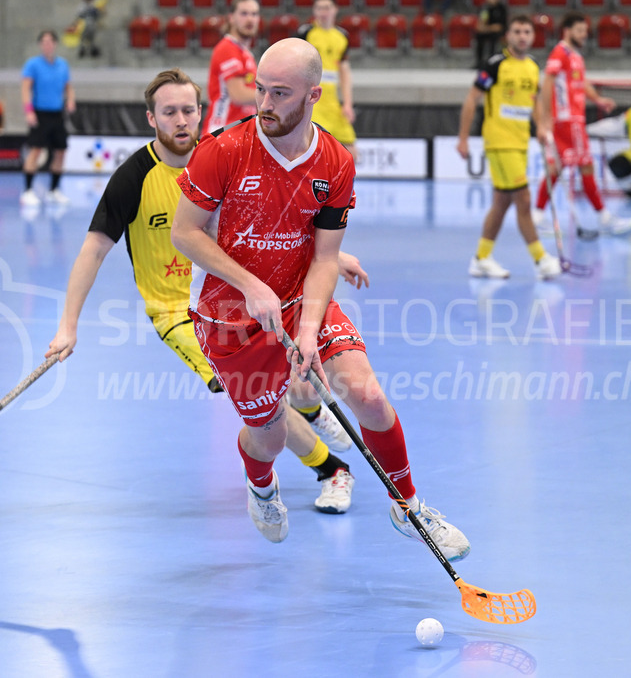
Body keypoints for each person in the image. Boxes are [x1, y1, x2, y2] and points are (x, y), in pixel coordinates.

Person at [171, 38, 471, 558]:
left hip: (297, 295)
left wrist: (308, 330)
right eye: (261, 90)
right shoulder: (222, 150)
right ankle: (262, 488)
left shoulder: (334, 162)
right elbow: (185, 233)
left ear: (314, 95)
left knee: (368, 395)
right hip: (228, 318)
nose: (264, 104)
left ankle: (408, 504)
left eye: (280, 93)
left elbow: (325, 257)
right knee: (265, 436)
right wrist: (250, 283)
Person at [46, 68, 361, 513]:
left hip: (245, 291)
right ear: (151, 118)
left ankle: (310, 411)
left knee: (293, 373)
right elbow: (92, 251)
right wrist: (67, 326)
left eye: (188, 110)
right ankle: (331, 469)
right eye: (168, 112)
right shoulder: (132, 178)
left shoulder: (222, 155)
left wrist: (333, 256)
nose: (181, 120)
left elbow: (278, 219)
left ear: (201, 112)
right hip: (179, 312)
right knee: (257, 393)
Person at [458, 16, 561, 281]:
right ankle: (541, 259)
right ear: (508, 36)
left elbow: (534, 101)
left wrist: (540, 126)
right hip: (499, 141)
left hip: (520, 143)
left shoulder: (532, 66)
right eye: (517, 31)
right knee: (524, 200)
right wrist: (463, 138)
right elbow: (472, 100)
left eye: (527, 31)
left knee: (502, 203)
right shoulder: (495, 65)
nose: (522, 36)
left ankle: (481, 258)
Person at [531, 12, 631, 239]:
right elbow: (547, 83)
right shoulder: (560, 53)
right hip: (568, 121)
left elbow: (580, 83)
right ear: (567, 31)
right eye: (579, 31)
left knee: (555, 169)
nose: (584, 35)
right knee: (585, 166)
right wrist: (546, 117)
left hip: (573, 119)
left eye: (585, 31)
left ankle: (537, 217)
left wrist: (598, 99)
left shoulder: (575, 56)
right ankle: (605, 218)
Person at [296, 0, 357, 159]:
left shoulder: (342, 36)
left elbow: (344, 72)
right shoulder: (306, 33)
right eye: (319, 8)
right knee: (313, 152)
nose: (323, 12)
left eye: (327, 7)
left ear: (335, 9)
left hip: (332, 103)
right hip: (312, 102)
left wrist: (348, 104)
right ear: (314, 11)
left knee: (352, 154)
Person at [20, 30, 75, 207]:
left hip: (57, 113)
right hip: (40, 113)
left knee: (61, 151)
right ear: (40, 45)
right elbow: (26, 88)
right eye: (44, 42)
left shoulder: (62, 65)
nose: (47, 45)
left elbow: (68, 86)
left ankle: (54, 190)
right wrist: (29, 111)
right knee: (36, 150)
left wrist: (71, 100)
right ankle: (27, 191)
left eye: (50, 41)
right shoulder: (33, 65)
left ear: (55, 44)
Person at [203, 0, 260, 135]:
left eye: (254, 14)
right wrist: (275, 95)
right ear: (231, 18)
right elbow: (238, 95)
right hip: (222, 131)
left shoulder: (245, 53)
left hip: (239, 131)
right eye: (244, 13)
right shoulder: (228, 48)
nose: (250, 19)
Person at [474, 0, 508, 71]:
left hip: (500, 32)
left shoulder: (502, 8)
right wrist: (489, 28)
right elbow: (481, 25)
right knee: (479, 36)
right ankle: (479, 62)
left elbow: (500, 27)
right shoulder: (485, 8)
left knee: (494, 37)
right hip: (488, 31)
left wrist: (488, 28)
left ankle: (491, 62)